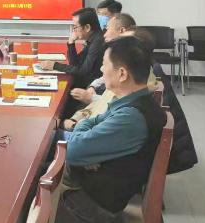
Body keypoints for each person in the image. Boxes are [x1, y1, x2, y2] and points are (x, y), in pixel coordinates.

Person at [55, 36, 167, 223]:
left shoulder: (131, 117)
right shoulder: (132, 101)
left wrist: (84, 145)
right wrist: (88, 147)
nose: (101, 70)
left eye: (104, 65)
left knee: (29, 181)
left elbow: (73, 151)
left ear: (122, 74)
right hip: (94, 185)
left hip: (88, 200)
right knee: (51, 146)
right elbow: (92, 121)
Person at [70, 12, 137, 104]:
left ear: (121, 30)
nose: (104, 34)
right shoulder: (118, 50)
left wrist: (91, 98)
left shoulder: (132, 57)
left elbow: (121, 103)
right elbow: (104, 77)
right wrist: (93, 86)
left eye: (107, 29)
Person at [38, 8, 105, 88]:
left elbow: (83, 72)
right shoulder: (93, 39)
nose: (74, 30)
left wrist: (55, 65)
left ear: (87, 27)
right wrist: (71, 43)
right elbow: (75, 64)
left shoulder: (98, 43)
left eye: (75, 27)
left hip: (90, 88)